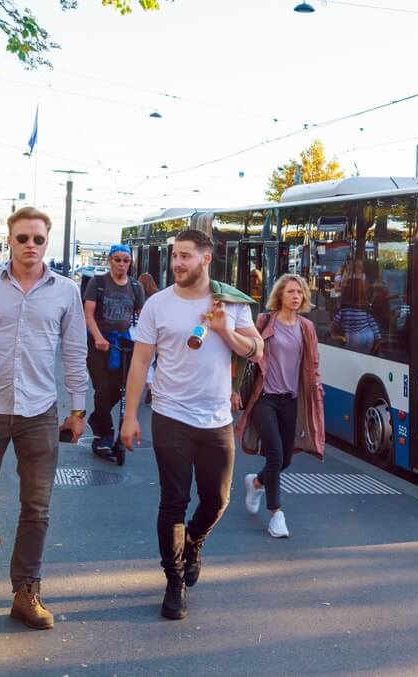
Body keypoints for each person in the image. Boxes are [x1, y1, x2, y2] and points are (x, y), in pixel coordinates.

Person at [120, 229, 262, 621]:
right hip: (170, 415)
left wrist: (224, 330)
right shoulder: (157, 305)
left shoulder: (229, 301)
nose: (177, 263)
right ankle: (174, 580)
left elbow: (257, 349)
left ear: (205, 258)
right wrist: (131, 415)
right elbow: (140, 361)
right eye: (175, 256)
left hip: (216, 417)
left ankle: (194, 542)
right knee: (174, 500)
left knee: (217, 500)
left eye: (185, 256)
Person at [0, 207, 87, 630]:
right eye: (22, 238)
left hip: (39, 411)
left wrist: (78, 407)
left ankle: (26, 591)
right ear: (9, 241)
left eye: (38, 239)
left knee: (37, 506)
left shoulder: (65, 290)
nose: (30, 245)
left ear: (46, 242)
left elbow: (73, 352)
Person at [233, 274, 325, 539]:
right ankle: (276, 515)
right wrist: (234, 389)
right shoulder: (264, 322)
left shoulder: (306, 327)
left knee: (284, 459)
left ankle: (257, 482)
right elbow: (246, 355)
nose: (296, 296)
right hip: (265, 398)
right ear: (280, 296)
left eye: (299, 292)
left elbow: (313, 364)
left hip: (291, 399)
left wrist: (317, 391)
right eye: (290, 292)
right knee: (274, 453)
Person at [83, 244, 145, 458]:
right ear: (110, 260)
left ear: (130, 262)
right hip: (99, 344)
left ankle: (97, 418)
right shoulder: (97, 283)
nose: (121, 264)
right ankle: (104, 434)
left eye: (125, 260)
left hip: (124, 345)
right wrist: (98, 337)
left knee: (120, 390)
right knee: (102, 389)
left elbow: (142, 317)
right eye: (117, 259)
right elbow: (88, 315)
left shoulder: (136, 287)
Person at [330, 274, 382, 353]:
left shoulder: (344, 307)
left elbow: (335, 322)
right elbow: (372, 323)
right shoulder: (365, 306)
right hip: (367, 338)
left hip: (351, 338)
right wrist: (378, 338)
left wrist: (332, 330)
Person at [138, 272, 159, 405]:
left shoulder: (138, 296)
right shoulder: (157, 297)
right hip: (156, 334)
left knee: (141, 362)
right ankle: (151, 386)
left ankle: (148, 385)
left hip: (141, 334)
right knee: (150, 363)